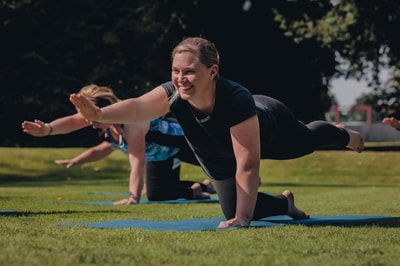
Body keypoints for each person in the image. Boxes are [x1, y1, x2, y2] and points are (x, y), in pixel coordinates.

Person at [69, 37, 364, 228]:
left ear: (212, 71)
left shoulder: (236, 99)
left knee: (308, 140)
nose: (181, 79)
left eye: (189, 72)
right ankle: (284, 203)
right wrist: (99, 114)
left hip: (271, 126)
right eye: (176, 71)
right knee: (229, 209)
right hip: (216, 153)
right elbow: (137, 108)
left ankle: (343, 135)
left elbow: (248, 165)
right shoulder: (173, 93)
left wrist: (244, 219)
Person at [22, 84, 216, 205]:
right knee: (158, 194)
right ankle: (200, 188)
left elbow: (137, 163)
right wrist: (47, 129)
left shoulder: (131, 124)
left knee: (226, 168)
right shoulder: (101, 122)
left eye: (89, 114)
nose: (87, 121)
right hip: (162, 156)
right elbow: (75, 124)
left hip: (187, 142)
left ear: (106, 109)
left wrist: (133, 197)